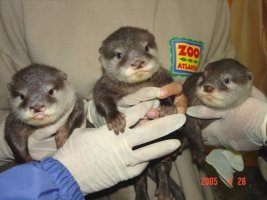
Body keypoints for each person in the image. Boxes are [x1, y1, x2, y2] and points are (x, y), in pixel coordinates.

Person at [0, 0, 266, 199]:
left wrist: (244, 124)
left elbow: (220, 75)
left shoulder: (209, 5)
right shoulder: (19, 6)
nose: (137, 61)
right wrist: (23, 150)